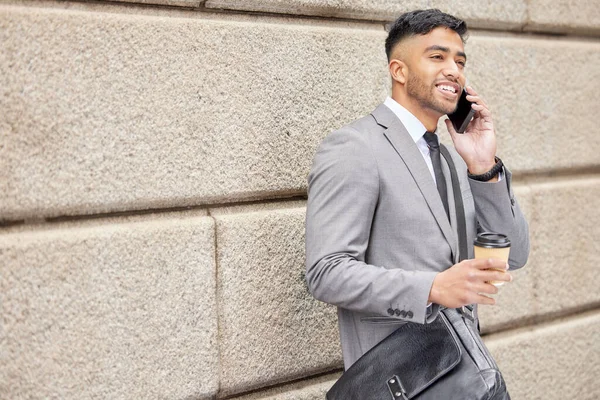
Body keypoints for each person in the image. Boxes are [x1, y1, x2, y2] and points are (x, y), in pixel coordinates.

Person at [305, 8, 530, 372]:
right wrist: (432, 288)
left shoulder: (457, 160)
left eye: (460, 61)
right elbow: (326, 271)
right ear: (399, 70)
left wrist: (484, 167)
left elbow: (513, 255)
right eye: (437, 56)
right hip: (398, 379)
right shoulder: (355, 147)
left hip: (464, 376)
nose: (453, 70)